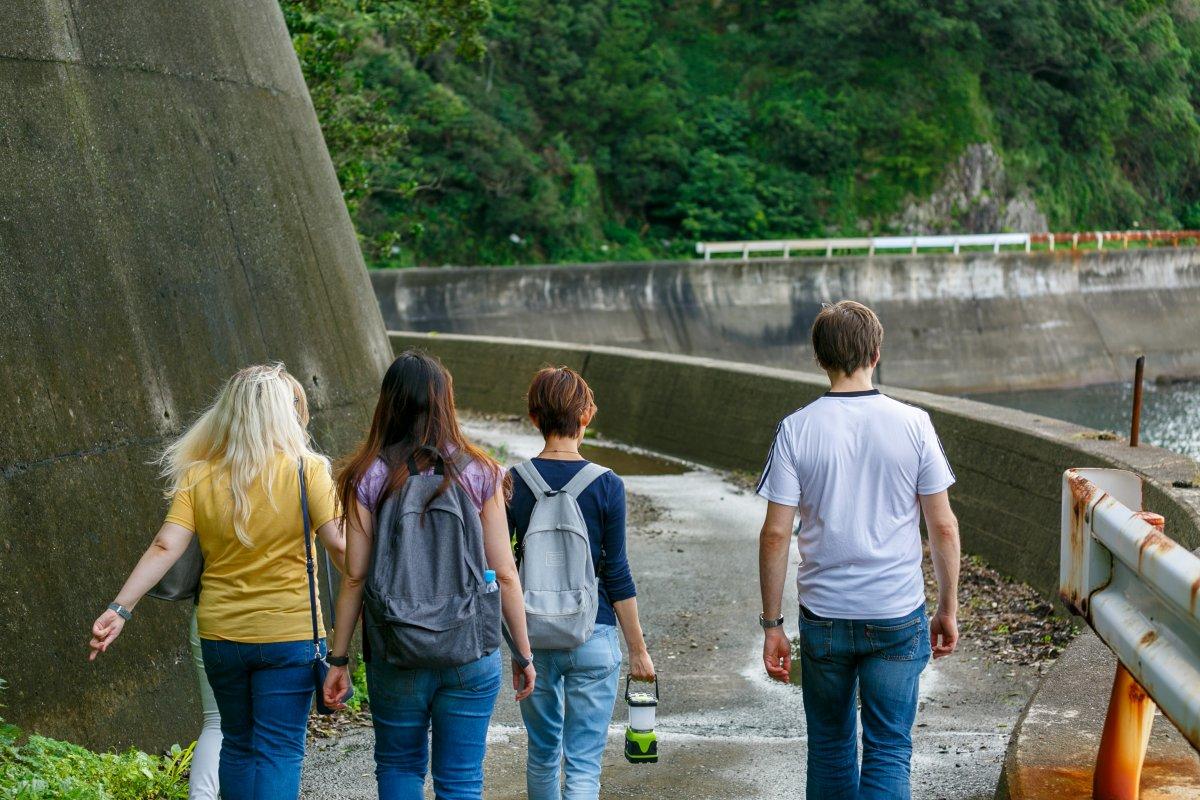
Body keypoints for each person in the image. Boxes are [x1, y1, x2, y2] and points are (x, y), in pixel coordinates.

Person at [88, 364, 346, 800]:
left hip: (221, 638)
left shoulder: (199, 474)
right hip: (290, 636)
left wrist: (119, 609)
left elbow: (165, 546)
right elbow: (340, 547)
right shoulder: (308, 470)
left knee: (238, 744)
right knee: (279, 751)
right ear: (285, 414)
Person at [756, 300, 961, 800]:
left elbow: (776, 535)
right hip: (895, 613)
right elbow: (943, 528)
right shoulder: (914, 424)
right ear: (876, 350)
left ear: (819, 357)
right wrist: (947, 609)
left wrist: (773, 625)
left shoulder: (796, 428)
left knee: (829, 746)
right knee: (889, 746)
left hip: (824, 617)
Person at [322, 350, 536, 800]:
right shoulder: (481, 470)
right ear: (445, 403)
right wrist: (523, 652)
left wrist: (338, 660)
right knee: (460, 782)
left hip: (396, 647)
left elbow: (355, 578)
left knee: (399, 767)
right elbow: (505, 572)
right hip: (469, 647)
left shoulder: (369, 475)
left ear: (389, 404)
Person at [507, 366, 655, 800]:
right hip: (595, 633)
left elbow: (505, 567)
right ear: (586, 417)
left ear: (535, 418)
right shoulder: (607, 484)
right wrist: (639, 651)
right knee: (584, 766)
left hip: (533, 637)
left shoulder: (513, 481)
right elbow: (618, 572)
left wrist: (515, 644)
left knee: (542, 754)